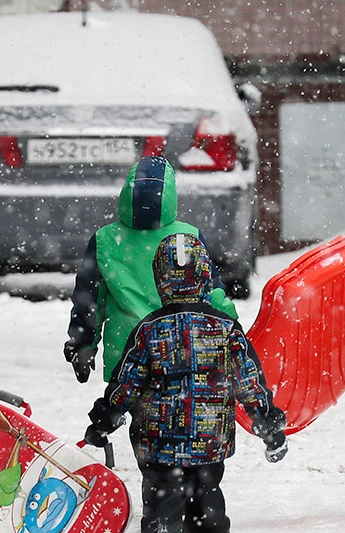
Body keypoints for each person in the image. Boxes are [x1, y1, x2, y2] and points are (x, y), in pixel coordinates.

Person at [84, 232, 287, 533]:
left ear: (160, 280)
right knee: (207, 499)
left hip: (158, 440)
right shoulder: (225, 330)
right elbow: (250, 384)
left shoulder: (148, 330)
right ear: (205, 276)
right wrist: (269, 424)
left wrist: (104, 418)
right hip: (209, 440)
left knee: (162, 499)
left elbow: (125, 383)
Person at [64, 155, 238, 384]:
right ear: (170, 196)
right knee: (179, 412)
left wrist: (83, 344)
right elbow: (211, 293)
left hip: (127, 356)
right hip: (184, 352)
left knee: (135, 413)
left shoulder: (106, 240)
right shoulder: (188, 237)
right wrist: (233, 329)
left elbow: (89, 302)